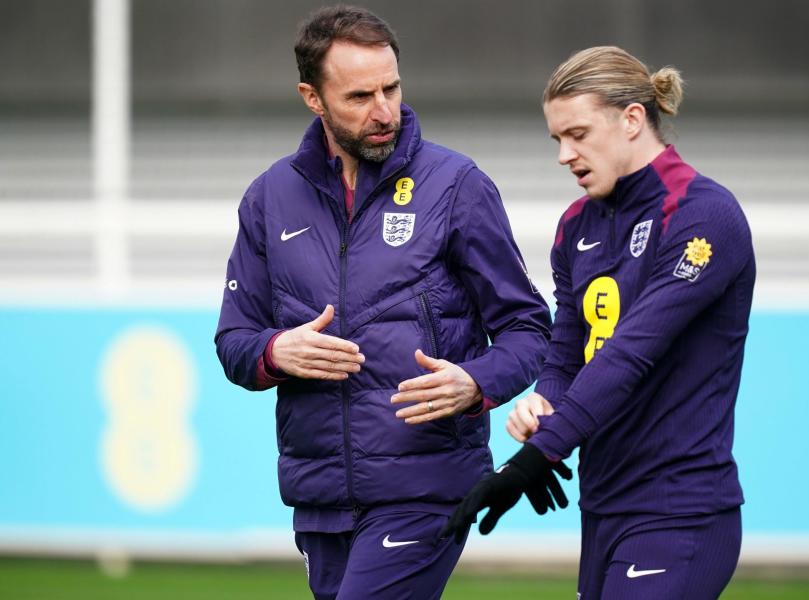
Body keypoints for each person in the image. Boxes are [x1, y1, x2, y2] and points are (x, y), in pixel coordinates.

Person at [214, 7, 551, 599]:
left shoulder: (456, 185)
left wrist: (474, 383)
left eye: (392, 88)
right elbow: (234, 343)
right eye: (360, 95)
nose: (384, 111)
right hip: (320, 498)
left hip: (425, 486)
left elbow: (529, 328)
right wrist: (276, 349)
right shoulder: (270, 197)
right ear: (311, 98)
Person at [442, 46, 756, 599]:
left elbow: (630, 352)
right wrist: (547, 403)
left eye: (579, 134)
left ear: (632, 119)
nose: (565, 154)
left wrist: (536, 457)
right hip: (604, 505)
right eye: (557, 139)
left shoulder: (703, 215)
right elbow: (567, 351)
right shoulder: (575, 226)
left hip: (680, 510)